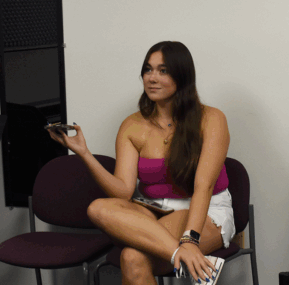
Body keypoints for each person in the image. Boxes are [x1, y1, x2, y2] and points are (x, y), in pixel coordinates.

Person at [48, 41, 232, 285]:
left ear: (182, 76)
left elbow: (204, 187)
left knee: (132, 257)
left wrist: (190, 240)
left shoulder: (211, 119)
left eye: (163, 71)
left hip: (204, 211)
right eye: (148, 69)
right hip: (152, 210)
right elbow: (123, 192)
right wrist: (84, 153)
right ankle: (183, 255)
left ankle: (186, 250)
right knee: (98, 208)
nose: (152, 78)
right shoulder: (132, 125)